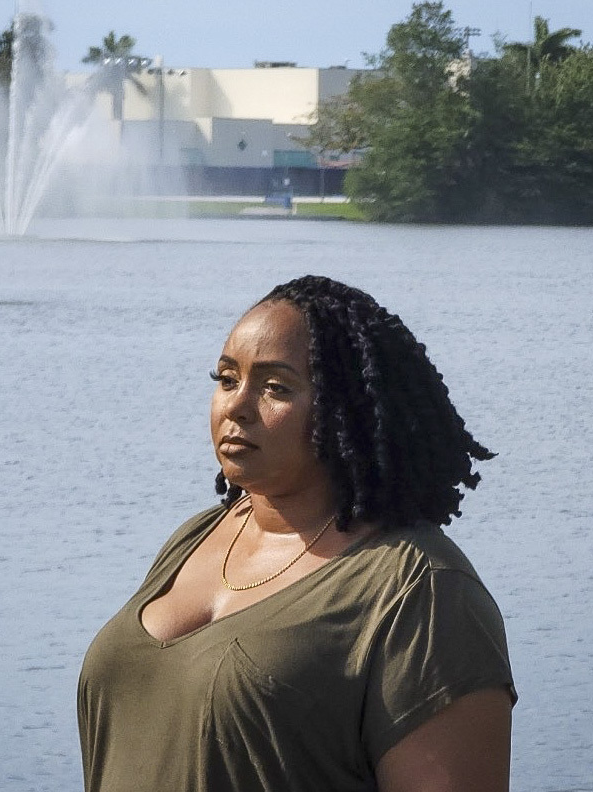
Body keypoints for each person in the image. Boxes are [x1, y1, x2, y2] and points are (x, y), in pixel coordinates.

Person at [78, 275, 515, 792]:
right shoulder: (196, 537)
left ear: (346, 409)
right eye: (226, 379)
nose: (236, 407)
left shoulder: (420, 590)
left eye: (275, 388)